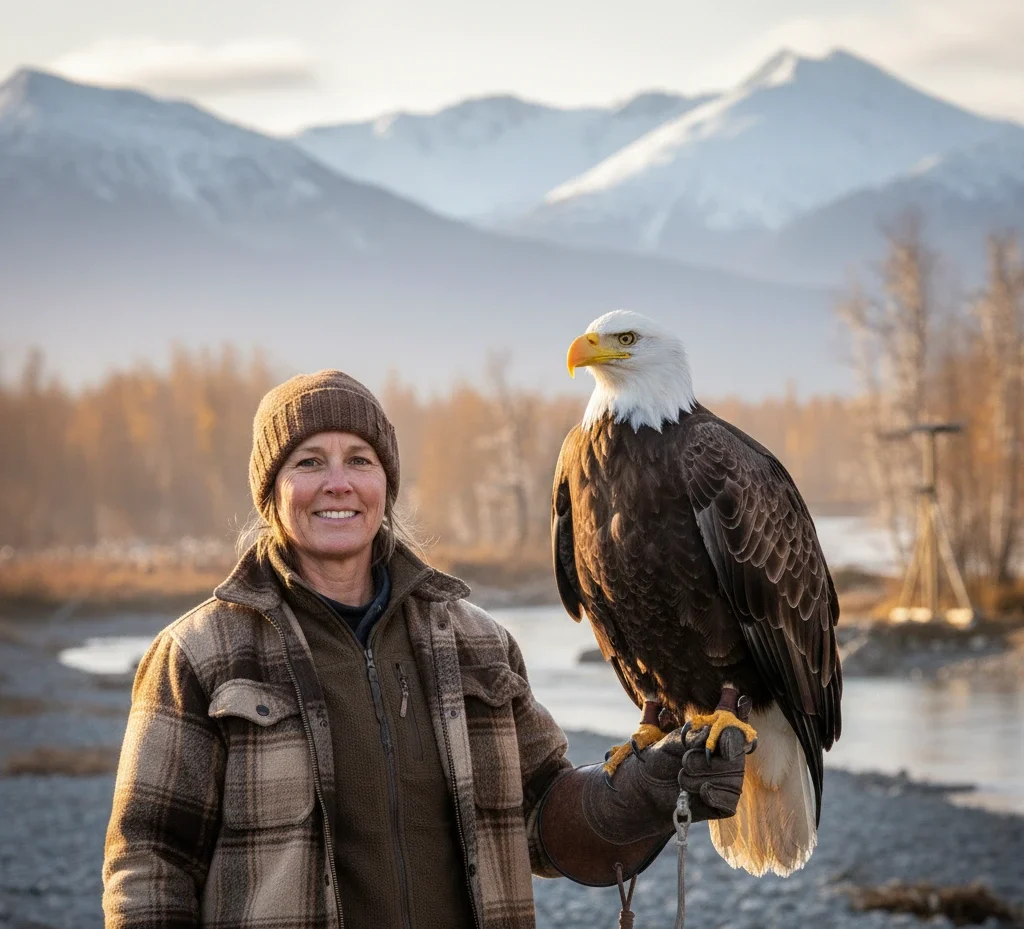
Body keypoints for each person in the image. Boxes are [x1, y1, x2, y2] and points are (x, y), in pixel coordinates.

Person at [102, 370, 747, 929]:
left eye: (360, 460)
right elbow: (148, 866)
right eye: (308, 463)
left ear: (386, 484)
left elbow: (544, 819)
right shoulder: (200, 656)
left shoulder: (476, 645)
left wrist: (645, 791)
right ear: (271, 492)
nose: (338, 483)